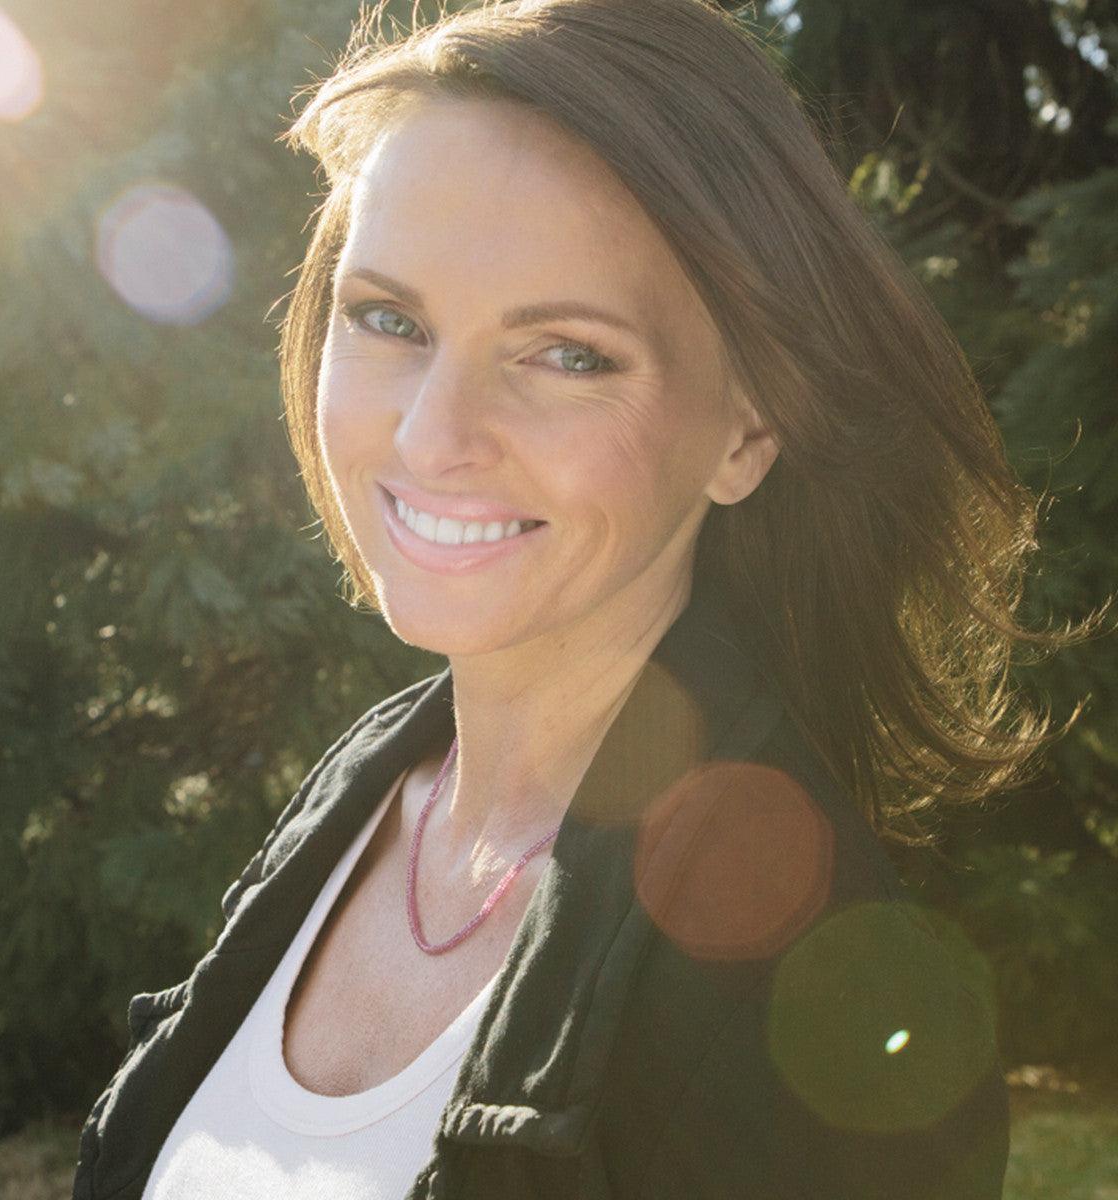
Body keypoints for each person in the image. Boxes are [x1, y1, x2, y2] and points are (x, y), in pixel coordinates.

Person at [72, 0, 1089, 1195]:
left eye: (567, 354)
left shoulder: (820, 1013)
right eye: (390, 320)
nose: (432, 433)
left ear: (748, 428)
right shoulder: (367, 796)